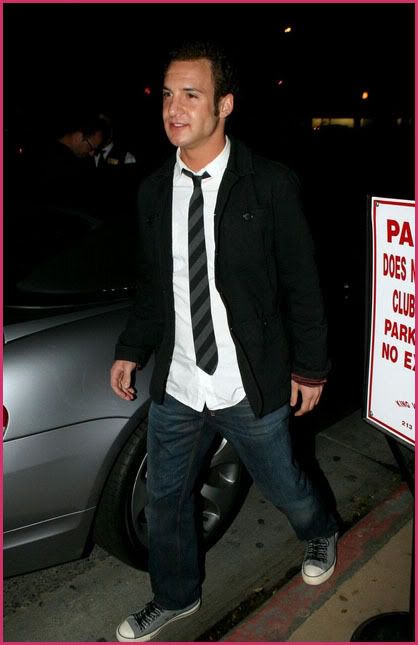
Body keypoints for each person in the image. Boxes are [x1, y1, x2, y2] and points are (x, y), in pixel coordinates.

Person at [110, 40, 338, 643]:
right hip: (180, 382)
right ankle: (175, 595)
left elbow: (303, 284)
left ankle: (321, 531)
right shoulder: (155, 191)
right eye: (167, 95)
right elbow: (154, 285)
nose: (174, 108)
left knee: (285, 483)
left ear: (225, 104)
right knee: (165, 499)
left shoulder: (269, 185)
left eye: (191, 94)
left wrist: (310, 369)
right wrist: (131, 348)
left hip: (246, 380)